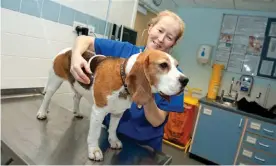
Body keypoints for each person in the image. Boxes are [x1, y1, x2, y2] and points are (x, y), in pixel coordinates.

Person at [70, 10, 186, 152]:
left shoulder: (176, 79)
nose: (161, 39)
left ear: (173, 43)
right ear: (150, 28)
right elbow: (84, 40)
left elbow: (157, 121)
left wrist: (144, 91)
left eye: (169, 37)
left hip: (143, 147)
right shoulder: (125, 50)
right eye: (160, 30)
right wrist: (75, 56)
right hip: (107, 136)